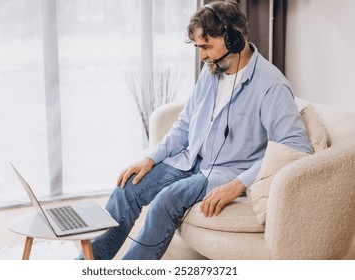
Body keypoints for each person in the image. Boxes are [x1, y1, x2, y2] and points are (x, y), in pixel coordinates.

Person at [77, 0, 312, 260]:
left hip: (226, 172)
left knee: (166, 200)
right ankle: (88, 265)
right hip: (191, 160)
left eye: (206, 46)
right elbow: (185, 124)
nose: (201, 56)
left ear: (233, 39)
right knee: (127, 188)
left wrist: (238, 185)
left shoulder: (271, 85)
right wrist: (151, 157)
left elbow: (295, 146)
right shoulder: (211, 70)